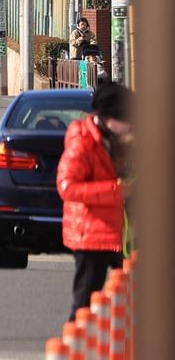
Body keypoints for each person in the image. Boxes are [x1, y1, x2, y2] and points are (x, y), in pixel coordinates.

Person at [57, 81, 133, 321]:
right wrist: (115, 190)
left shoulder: (121, 140)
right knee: (85, 302)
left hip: (122, 233)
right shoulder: (83, 141)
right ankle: (75, 350)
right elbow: (67, 187)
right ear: (107, 117)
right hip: (90, 235)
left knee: (130, 299)